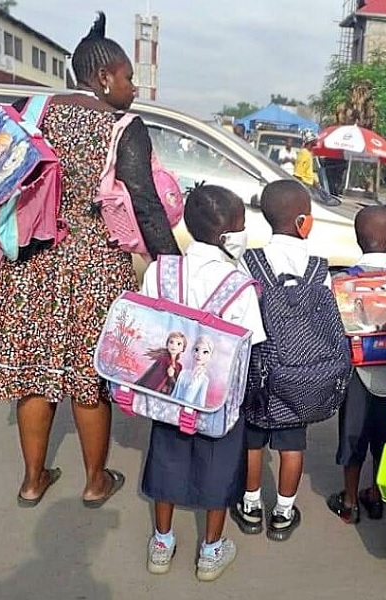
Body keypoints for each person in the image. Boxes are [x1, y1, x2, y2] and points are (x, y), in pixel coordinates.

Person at [0, 12, 180, 509]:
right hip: (93, 265)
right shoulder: (122, 124)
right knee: (89, 376)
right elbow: (146, 203)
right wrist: (175, 268)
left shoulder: (31, 109)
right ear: (104, 77)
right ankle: (94, 481)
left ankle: (32, 479)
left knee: (33, 373)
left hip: (28, 262)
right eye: (128, 78)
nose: (132, 88)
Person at [140, 184, 265, 582]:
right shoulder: (239, 287)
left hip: (167, 392)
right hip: (218, 398)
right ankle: (211, 551)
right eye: (242, 225)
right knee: (218, 466)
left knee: (165, 457)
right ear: (228, 235)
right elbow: (252, 347)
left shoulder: (160, 269)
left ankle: (161, 543)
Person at [231, 180, 329, 542]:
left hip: (258, 367)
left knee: (253, 441)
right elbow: (326, 318)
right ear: (303, 220)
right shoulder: (319, 267)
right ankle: (284, 513)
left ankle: (251, 504)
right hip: (300, 369)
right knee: (292, 445)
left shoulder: (249, 260)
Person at [326, 206, 386, 524]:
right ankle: (376, 493)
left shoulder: (341, 282)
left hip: (356, 371)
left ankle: (349, 499)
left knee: (353, 434)